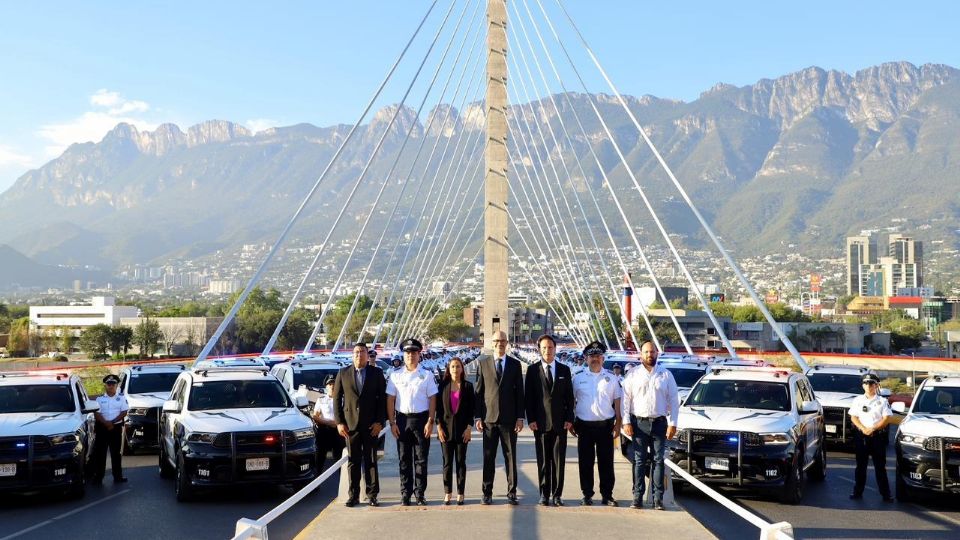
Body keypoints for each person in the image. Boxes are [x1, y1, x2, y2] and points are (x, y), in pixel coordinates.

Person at [621, 341, 679, 510]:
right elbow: (626, 400)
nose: (649, 355)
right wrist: (626, 421)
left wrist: (673, 424)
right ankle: (637, 497)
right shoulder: (632, 375)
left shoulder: (666, 375)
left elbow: (674, 401)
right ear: (641, 355)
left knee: (658, 460)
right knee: (639, 461)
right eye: (646, 352)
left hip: (660, 423)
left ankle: (658, 498)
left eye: (652, 352)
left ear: (657, 353)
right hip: (639, 423)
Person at [333, 342, 387, 507]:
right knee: (353, 461)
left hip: (371, 426)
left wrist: (380, 422)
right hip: (350, 426)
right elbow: (336, 399)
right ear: (352, 355)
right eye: (356, 352)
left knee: (371, 460)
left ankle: (372, 495)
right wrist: (339, 422)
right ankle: (353, 495)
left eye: (362, 352)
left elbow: (382, 400)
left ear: (367, 354)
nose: (359, 355)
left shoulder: (376, 373)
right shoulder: (343, 373)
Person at [475, 329, 525, 505]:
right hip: (488, 420)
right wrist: (477, 418)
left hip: (509, 420)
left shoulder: (514, 364)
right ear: (492, 343)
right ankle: (486, 492)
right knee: (488, 458)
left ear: (507, 343)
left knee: (510, 458)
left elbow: (520, 393)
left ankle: (512, 493)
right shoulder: (483, 363)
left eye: (503, 341)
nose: (500, 344)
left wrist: (520, 417)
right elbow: (479, 394)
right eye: (497, 341)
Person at [387, 338, 438, 506]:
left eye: (414, 353)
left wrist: (431, 421)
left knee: (421, 459)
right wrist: (392, 423)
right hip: (402, 420)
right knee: (404, 459)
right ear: (403, 355)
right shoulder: (395, 375)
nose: (411, 356)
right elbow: (390, 400)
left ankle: (420, 493)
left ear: (419, 354)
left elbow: (432, 399)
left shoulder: (427, 375)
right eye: (408, 353)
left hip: (421, 419)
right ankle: (405, 494)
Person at [525, 334, 575, 506]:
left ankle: (557, 495)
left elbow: (570, 398)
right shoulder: (532, 370)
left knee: (559, 461)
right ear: (539, 349)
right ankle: (544, 494)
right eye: (544, 348)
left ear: (555, 349)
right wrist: (530, 419)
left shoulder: (564, 370)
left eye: (551, 347)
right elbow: (529, 398)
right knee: (544, 461)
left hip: (561, 424)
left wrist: (570, 418)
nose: (548, 350)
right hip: (540, 423)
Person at [571, 340, 621, 506]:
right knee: (585, 463)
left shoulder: (611, 379)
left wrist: (618, 423)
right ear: (586, 358)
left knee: (606, 463)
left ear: (603, 358)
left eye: (598, 356)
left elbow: (618, 401)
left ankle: (607, 495)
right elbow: (571, 401)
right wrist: (570, 421)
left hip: (605, 426)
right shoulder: (578, 378)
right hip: (584, 426)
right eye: (592, 356)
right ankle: (587, 494)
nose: (595, 359)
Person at [848, 373, 894, 502]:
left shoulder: (882, 401)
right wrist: (863, 429)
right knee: (860, 466)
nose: (869, 386)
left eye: (871, 383)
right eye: (866, 383)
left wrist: (873, 428)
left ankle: (886, 494)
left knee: (880, 467)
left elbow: (887, 418)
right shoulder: (857, 400)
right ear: (862, 385)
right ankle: (857, 492)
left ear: (876, 385)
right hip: (861, 436)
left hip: (877, 437)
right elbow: (853, 417)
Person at [436, 356, 475, 505]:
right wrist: (439, 427)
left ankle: (460, 493)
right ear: (448, 369)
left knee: (460, 462)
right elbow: (438, 409)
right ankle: (447, 492)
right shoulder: (443, 386)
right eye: (452, 366)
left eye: (458, 366)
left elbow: (472, 409)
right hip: (445, 431)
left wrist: (469, 428)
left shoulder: (468, 386)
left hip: (462, 431)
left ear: (462, 369)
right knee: (447, 463)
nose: (455, 369)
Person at [90, 374, 129, 484]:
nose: (111, 386)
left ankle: (118, 477)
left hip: (115, 428)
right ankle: (98, 477)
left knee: (116, 453)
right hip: (102, 428)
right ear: (105, 385)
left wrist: (112, 422)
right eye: (108, 384)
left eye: (113, 384)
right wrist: (106, 423)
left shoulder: (121, 398)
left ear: (116, 385)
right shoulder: (99, 399)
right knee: (100, 453)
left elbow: (124, 412)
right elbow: (97, 413)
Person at [313, 376, 345, 471]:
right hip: (325, 431)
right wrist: (328, 422)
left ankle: (342, 483)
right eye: (330, 384)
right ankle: (316, 484)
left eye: (334, 384)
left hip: (338, 431)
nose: (332, 386)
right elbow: (315, 416)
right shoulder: (321, 400)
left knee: (339, 459)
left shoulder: (343, 400)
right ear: (326, 387)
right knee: (320, 458)